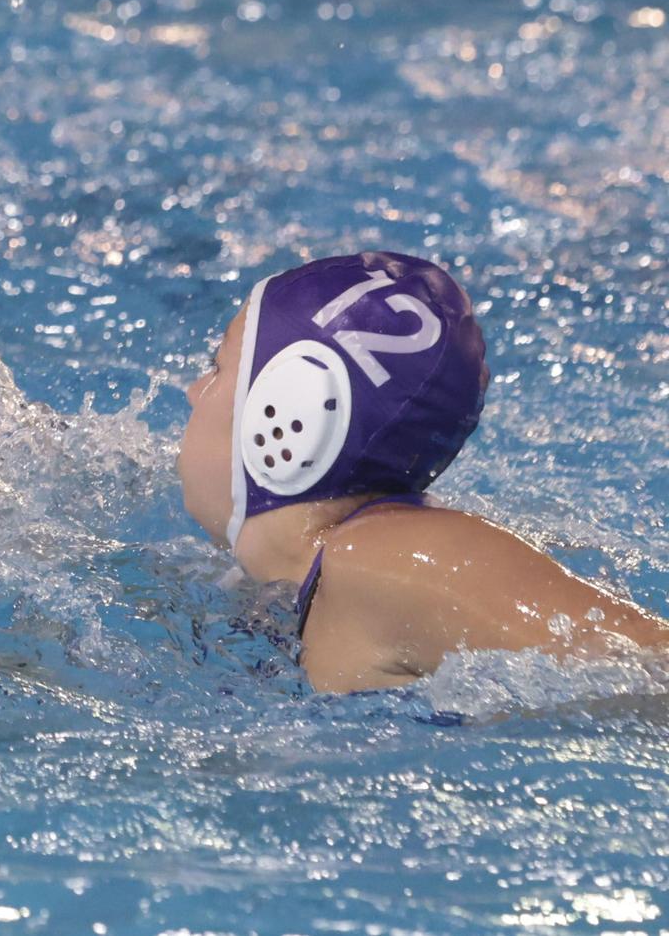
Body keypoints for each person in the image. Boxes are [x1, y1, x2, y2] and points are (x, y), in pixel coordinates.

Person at [178, 250, 669, 692]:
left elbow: (650, 665)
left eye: (218, 367)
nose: (194, 391)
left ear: (290, 408)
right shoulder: (266, 588)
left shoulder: (386, 558)